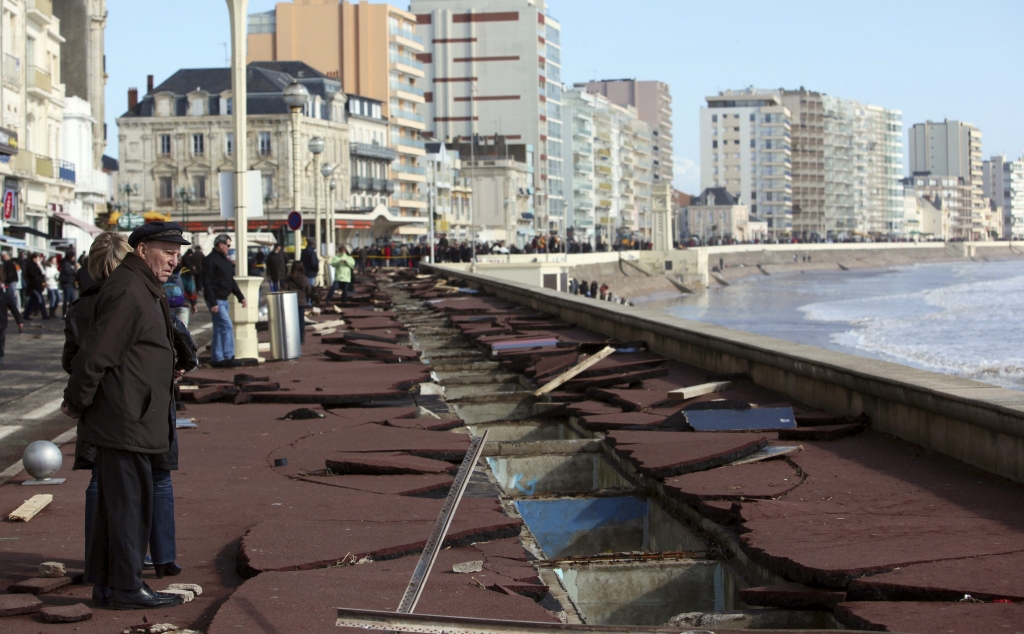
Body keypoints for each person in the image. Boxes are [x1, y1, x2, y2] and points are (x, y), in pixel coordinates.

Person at [61, 222, 191, 610]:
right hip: (126, 417)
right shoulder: (131, 290)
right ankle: (127, 587)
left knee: (117, 505)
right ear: (141, 249)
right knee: (128, 507)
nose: (174, 260)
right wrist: (76, 400)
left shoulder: (139, 287)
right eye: (167, 251)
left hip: (133, 414)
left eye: (177, 253)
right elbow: (97, 352)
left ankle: (108, 585)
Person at [203, 234, 247, 366]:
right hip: (216, 299)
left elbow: (230, 280)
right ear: (220, 245)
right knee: (227, 326)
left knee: (219, 328)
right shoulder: (210, 260)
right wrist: (213, 302)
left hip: (223, 299)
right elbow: (207, 282)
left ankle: (218, 358)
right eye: (228, 245)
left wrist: (240, 297)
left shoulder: (225, 261)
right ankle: (228, 356)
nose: (229, 247)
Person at [279, 262, 311, 345]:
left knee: (291, 321)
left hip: (291, 302)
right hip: (302, 302)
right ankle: (301, 338)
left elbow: (283, 289)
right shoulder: (304, 278)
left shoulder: (289, 278)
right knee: (301, 320)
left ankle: (292, 338)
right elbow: (308, 290)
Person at [0, 275, 23, 368]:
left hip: (1, 323)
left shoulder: (4, 295)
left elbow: (13, 308)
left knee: (1, 342)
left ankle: (0, 358)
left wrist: (19, 321)